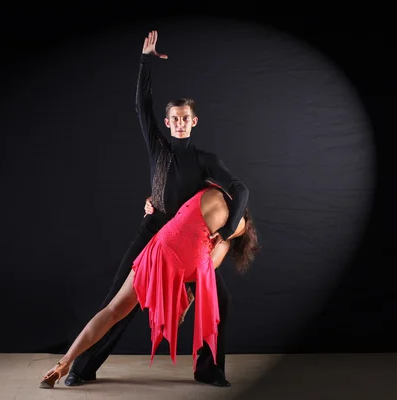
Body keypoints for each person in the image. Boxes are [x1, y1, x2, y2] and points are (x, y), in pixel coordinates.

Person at [60, 30, 250, 388]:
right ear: (167, 123)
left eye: (185, 118)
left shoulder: (206, 159)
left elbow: (240, 189)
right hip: (153, 231)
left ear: (194, 122)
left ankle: (209, 370)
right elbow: (141, 106)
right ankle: (81, 368)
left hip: (188, 242)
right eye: (173, 118)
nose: (179, 122)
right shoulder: (158, 146)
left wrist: (226, 230)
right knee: (118, 301)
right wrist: (145, 62)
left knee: (220, 300)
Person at [40, 185, 260, 388]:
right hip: (176, 264)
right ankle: (74, 365)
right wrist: (187, 300)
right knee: (117, 309)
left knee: (113, 311)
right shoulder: (237, 226)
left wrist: (153, 200)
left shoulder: (205, 191)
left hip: (155, 253)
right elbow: (208, 267)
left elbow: (172, 193)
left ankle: (63, 362)